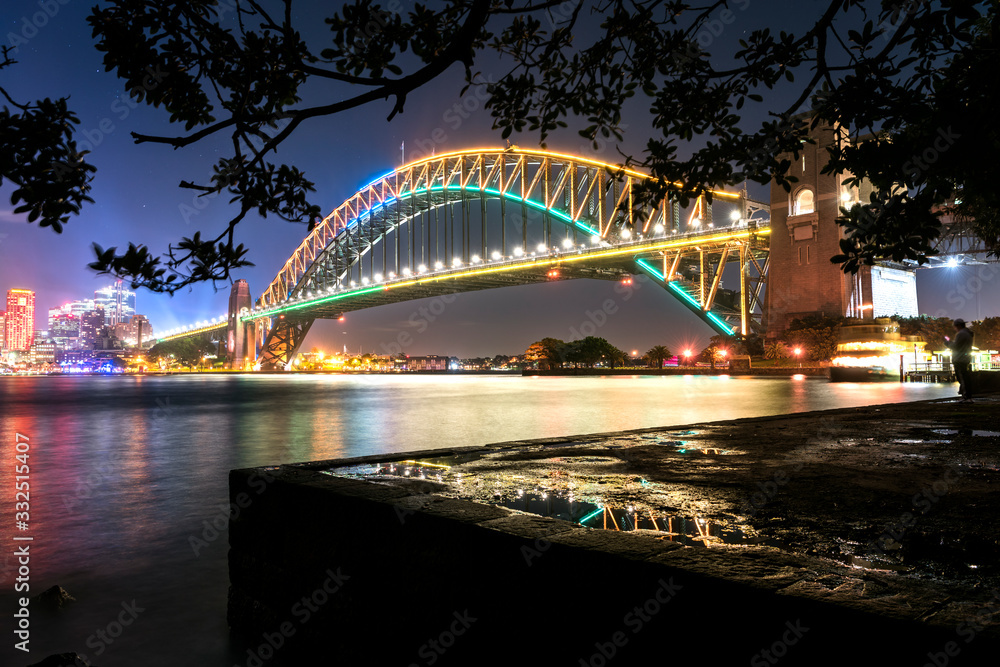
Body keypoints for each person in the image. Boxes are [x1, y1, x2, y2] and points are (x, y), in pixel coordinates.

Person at [944, 319, 975, 401]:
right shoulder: (968, 334)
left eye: (955, 326)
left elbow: (955, 346)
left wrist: (947, 343)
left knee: (961, 378)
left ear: (958, 326)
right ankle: (968, 396)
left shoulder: (961, 334)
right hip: (966, 358)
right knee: (965, 377)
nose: (954, 328)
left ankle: (966, 396)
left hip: (959, 359)